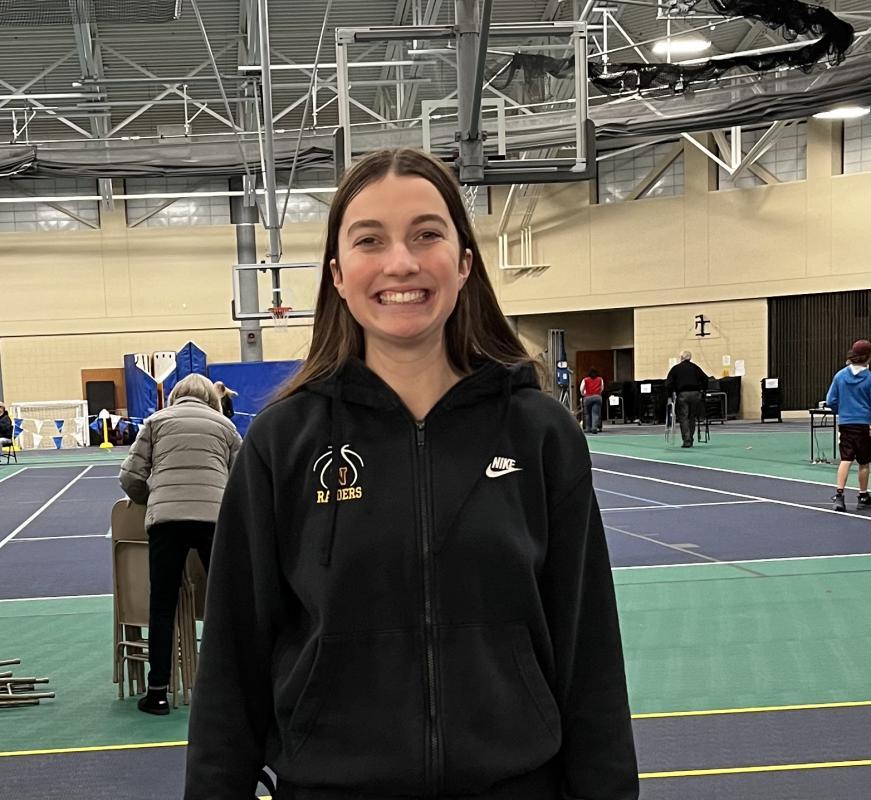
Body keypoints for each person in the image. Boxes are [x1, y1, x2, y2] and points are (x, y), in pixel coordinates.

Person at [185, 148, 639, 800]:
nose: (400, 262)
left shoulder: (540, 435)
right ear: (338, 275)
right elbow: (232, 664)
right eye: (370, 240)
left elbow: (588, 650)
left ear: (463, 263)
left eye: (426, 234)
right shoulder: (282, 444)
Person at [119, 373, 241, 715]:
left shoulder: (156, 422)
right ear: (212, 399)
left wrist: (150, 499)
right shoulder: (226, 427)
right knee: (227, 603)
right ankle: (233, 688)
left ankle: (158, 693)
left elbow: (130, 476)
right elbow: (242, 478)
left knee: (162, 606)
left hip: (167, 522)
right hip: (214, 520)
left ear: (175, 395)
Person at [825, 339, 871, 513]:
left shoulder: (840, 376)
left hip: (845, 424)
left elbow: (831, 400)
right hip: (864, 424)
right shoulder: (869, 378)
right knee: (864, 462)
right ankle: (863, 496)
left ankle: (839, 495)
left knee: (846, 459)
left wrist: (842, 411)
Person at [665, 349, 708, 448]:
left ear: (681, 358)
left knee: (683, 417)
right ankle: (690, 438)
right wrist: (703, 391)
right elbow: (705, 378)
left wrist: (669, 396)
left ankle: (687, 440)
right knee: (692, 417)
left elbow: (668, 383)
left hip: (683, 394)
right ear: (690, 358)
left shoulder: (676, 368)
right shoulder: (695, 368)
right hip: (696, 394)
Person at [580, 368, 605, 433]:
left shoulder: (585, 380)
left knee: (587, 414)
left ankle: (588, 428)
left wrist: (583, 394)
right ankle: (594, 428)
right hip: (597, 397)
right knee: (595, 414)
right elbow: (602, 388)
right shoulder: (600, 379)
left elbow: (581, 389)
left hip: (587, 397)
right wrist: (598, 393)